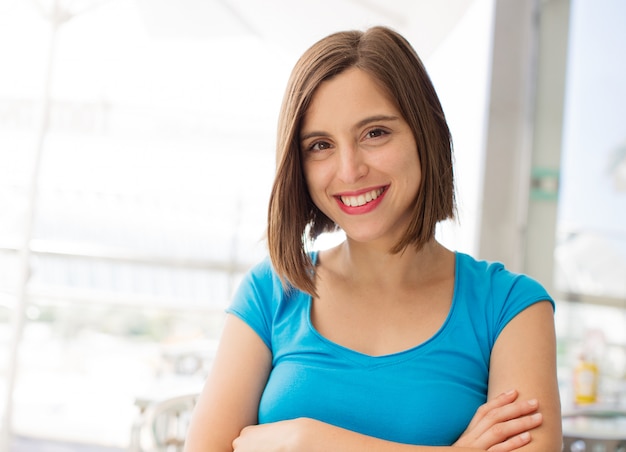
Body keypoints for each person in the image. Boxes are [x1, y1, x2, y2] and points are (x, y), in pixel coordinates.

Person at [184, 26, 562, 451]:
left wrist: (308, 441)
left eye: (375, 133)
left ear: (425, 134)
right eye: (321, 144)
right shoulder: (270, 293)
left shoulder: (511, 307)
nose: (349, 170)